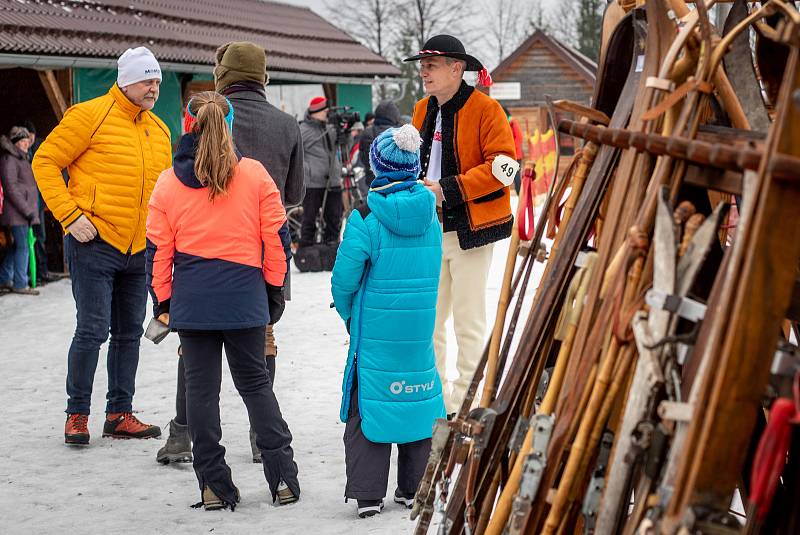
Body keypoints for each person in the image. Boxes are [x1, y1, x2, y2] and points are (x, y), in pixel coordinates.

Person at [146, 91, 300, 510]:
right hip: (245, 296)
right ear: (229, 125)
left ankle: (213, 485)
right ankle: (283, 479)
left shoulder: (168, 182)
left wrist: (163, 300)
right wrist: (272, 292)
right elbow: (276, 239)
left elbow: (159, 250)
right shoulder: (254, 175)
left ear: (188, 125)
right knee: (255, 387)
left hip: (193, 303)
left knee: (201, 393)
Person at [33, 46, 171, 444]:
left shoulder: (159, 130)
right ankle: (77, 414)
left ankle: (119, 413)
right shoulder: (89, 116)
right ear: (125, 80)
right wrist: (70, 216)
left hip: (139, 248)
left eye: (158, 81)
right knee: (93, 329)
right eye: (147, 80)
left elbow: (163, 191)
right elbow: (44, 162)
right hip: (94, 241)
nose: (154, 88)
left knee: (129, 332)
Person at [331, 124, 445, 518]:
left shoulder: (365, 217)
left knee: (370, 403)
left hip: (377, 332)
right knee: (416, 399)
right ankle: (413, 486)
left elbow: (343, 280)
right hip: (418, 331)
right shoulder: (432, 219)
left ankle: (367, 493)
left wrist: (350, 316)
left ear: (377, 167)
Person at [404, 35, 517, 414]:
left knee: (468, 321)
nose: (423, 72)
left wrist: (448, 189)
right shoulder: (421, 109)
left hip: (471, 230)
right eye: (422, 66)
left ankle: (466, 401)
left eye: (430, 65)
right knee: (430, 321)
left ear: (457, 68)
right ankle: (436, 400)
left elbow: (505, 168)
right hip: (429, 230)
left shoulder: (487, 110)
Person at [299, 96, 343, 246]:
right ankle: (306, 249)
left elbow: (343, 145)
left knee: (334, 218)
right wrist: (305, 170)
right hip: (313, 182)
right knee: (309, 218)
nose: (327, 113)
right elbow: (294, 152)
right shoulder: (303, 130)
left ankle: (331, 248)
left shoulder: (331, 128)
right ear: (315, 112)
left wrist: (345, 132)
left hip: (333, 180)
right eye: (325, 110)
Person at [0, 126, 39, 295]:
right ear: (15, 143)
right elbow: (11, 188)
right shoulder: (10, 159)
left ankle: (3, 278)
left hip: (22, 213)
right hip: (17, 214)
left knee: (17, 247)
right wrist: (27, 210)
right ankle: (20, 283)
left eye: (26, 141)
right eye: (22, 141)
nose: (25, 144)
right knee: (22, 247)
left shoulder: (22, 158)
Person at [357, 100, 402, 195]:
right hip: (398, 185)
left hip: (373, 183)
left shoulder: (367, 133)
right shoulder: (401, 133)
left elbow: (364, 158)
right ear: (395, 116)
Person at [501, 106, 525, 194]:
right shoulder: (504, 123)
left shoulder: (512, 122)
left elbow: (519, 137)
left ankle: (521, 195)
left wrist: (510, 147)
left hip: (516, 154)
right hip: (507, 155)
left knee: (516, 176)